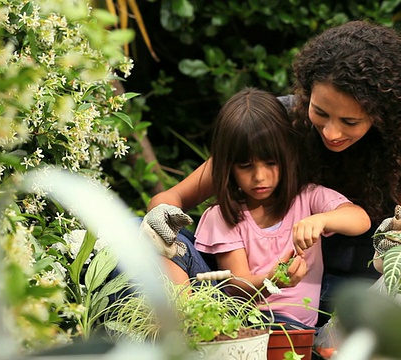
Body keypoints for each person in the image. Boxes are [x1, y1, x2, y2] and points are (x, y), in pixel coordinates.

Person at [145, 20, 401, 326]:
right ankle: (187, 329)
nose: (332, 133)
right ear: (307, 94)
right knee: (136, 234)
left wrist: (395, 241)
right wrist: (160, 217)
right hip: (247, 287)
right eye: (320, 112)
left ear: (382, 113)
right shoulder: (279, 121)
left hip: (352, 291)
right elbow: (174, 196)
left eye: (349, 121)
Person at [148, 87, 370, 329]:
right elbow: (236, 286)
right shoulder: (224, 215)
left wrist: (322, 220)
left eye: (271, 163)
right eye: (246, 166)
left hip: (294, 326)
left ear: (288, 157)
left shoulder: (308, 198)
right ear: (228, 167)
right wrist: (271, 281)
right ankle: (186, 326)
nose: (260, 177)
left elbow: (360, 219)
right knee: (170, 245)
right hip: (240, 319)